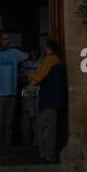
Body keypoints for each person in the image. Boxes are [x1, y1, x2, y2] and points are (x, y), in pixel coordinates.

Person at [26, 36, 67, 164]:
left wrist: (28, 75)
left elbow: (38, 77)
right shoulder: (56, 60)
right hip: (51, 99)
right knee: (46, 127)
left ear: (46, 48)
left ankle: (48, 154)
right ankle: (46, 153)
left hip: (49, 99)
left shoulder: (50, 60)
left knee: (48, 128)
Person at [0, 31, 27, 148]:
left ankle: (6, 148)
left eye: (8, 39)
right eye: (4, 39)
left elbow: (28, 56)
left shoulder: (14, 52)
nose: (7, 41)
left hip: (11, 92)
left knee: (8, 124)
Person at [18, 49, 40, 148]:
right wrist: (34, 78)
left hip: (38, 94)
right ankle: (25, 145)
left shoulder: (42, 63)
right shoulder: (25, 64)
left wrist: (30, 78)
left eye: (35, 50)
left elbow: (43, 78)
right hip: (26, 94)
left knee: (37, 121)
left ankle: (37, 144)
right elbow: (21, 79)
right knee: (25, 122)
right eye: (32, 50)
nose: (34, 53)